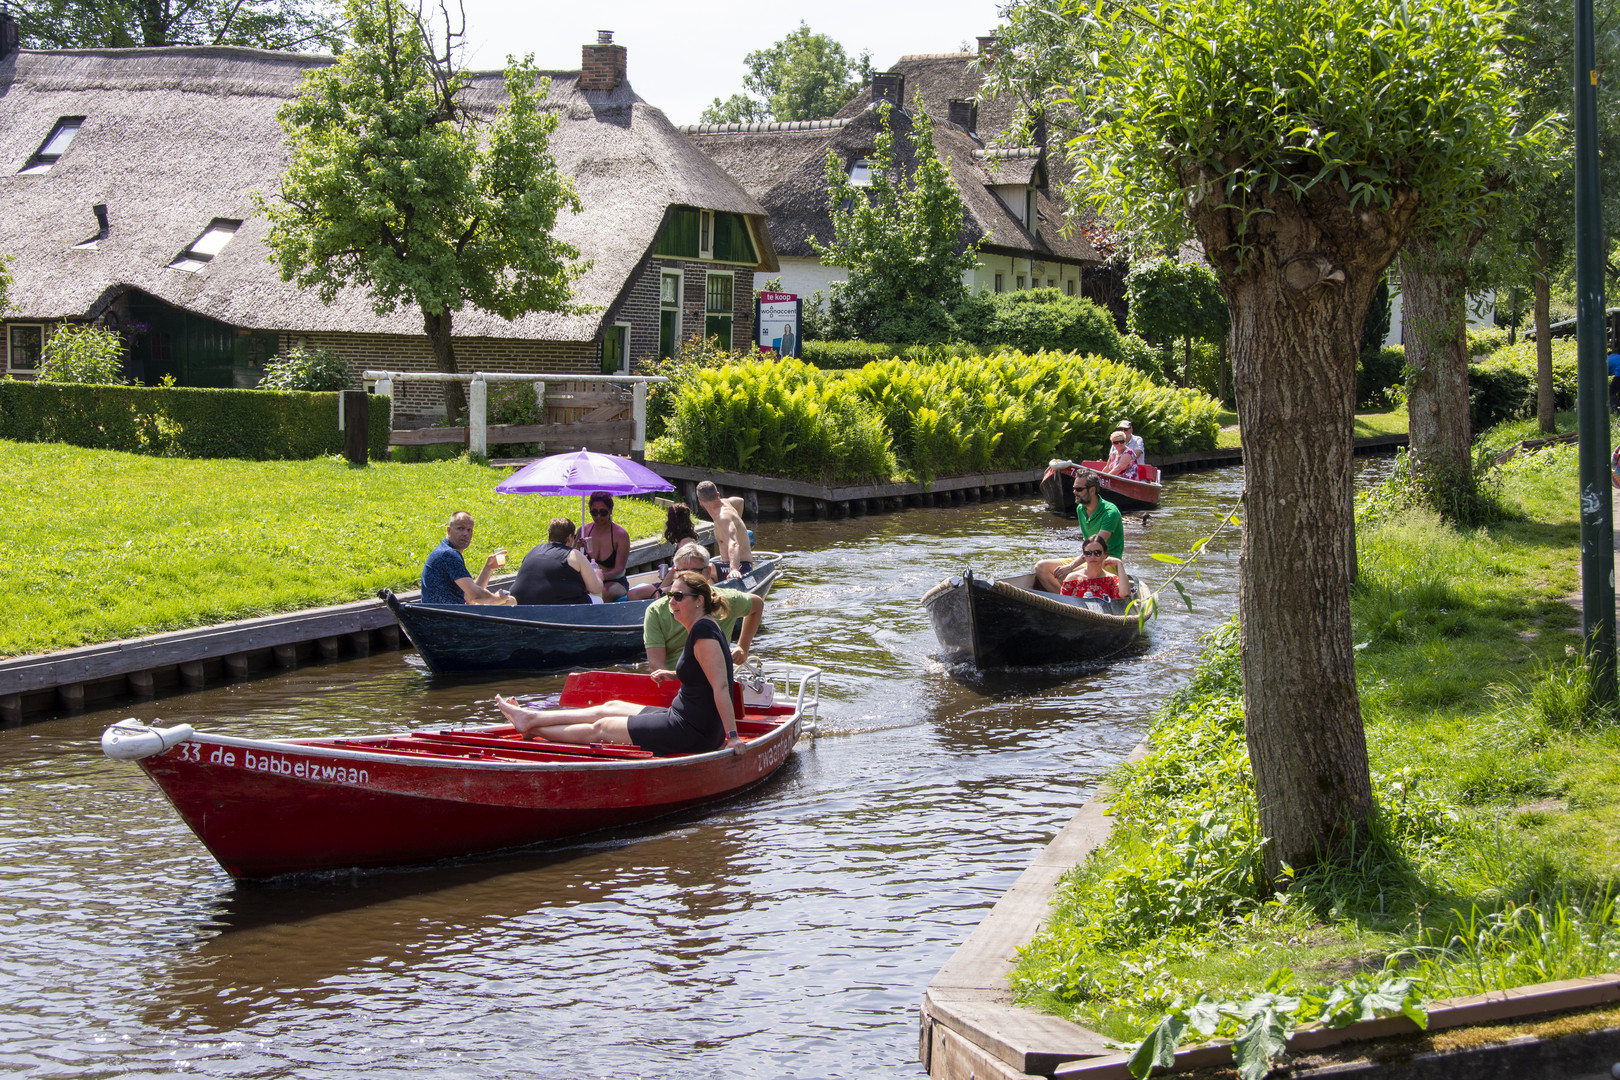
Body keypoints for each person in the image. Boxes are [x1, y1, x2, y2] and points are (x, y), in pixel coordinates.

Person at [495, 571, 744, 756]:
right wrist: (673, 674)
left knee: (602, 728)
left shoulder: (702, 631)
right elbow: (704, 672)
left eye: (678, 596)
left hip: (692, 731)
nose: (671, 602)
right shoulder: (704, 626)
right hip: (682, 716)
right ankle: (531, 717)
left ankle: (533, 727)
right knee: (610, 706)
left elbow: (721, 686)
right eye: (669, 595)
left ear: (699, 600)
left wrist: (732, 737)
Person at [644, 542, 763, 669]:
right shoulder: (656, 611)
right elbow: (657, 666)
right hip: (677, 684)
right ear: (675, 573)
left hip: (716, 681)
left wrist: (743, 647)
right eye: (683, 572)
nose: (689, 578)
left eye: (695, 572)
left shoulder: (727, 600)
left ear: (708, 572)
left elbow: (757, 605)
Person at [1034, 473, 1124, 592]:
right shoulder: (1080, 509)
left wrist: (1070, 567)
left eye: (1079, 489)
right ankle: (1065, 602)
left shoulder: (1110, 513)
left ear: (1092, 490)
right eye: (1074, 488)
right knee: (1041, 567)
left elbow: (1096, 548)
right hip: (1088, 557)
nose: (1074, 492)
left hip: (1106, 562)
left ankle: (1072, 601)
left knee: (1069, 575)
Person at [420, 511, 515, 606]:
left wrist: (488, 568)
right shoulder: (448, 554)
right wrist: (497, 599)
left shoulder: (448, 551)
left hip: (446, 613)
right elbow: (475, 596)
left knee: (508, 601)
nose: (465, 533)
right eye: (460, 528)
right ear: (449, 530)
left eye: (469, 530)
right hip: (445, 617)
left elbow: (470, 598)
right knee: (509, 602)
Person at [510, 518, 604, 605]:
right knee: (597, 600)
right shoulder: (574, 555)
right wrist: (598, 577)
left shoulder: (533, 551)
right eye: (574, 537)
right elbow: (595, 588)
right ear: (570, 537)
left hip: (520, 603)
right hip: (555, 606)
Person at [578, 491, 630, 601]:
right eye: (594, 512)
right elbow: (572, 561)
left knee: (603, 594)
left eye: (603, 512)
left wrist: (597, 577)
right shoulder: (583, 531)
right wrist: (577, 547)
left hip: (614, 581)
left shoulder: (620, 535)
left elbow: (619, 569)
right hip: (588, 580)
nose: (598, 516)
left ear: (610, 511)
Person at [696, 480, 753, 580]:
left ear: (700, 501)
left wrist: (734, 569)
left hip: (741, 567)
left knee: (701, 569)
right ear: (718, 494)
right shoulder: (727, 503)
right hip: (726, 566)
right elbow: (740, 501)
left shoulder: (723, 518)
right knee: (707, 573)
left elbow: (733, 543)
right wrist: (738, 524)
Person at [1060, 539, 1129, 601]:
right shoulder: (1072, 578)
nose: (1092, 557)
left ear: (1105, 555)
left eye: (1097, 553)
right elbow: (1063, 604)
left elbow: (1125, 593)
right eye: (1088, 553)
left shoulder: (1111, 580)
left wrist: (1119, 563)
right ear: (1084, 555)